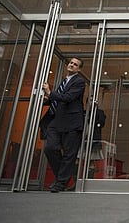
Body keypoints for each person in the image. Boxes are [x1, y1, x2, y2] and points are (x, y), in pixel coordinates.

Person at [42, 57, 86, 192]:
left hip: (72, 122)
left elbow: (68, 98)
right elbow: (59, 99)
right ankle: (65, 179)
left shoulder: (79, 81)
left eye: (75, 64)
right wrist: (48, 99)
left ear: (79, 69)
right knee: (50, 148)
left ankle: (60, 183)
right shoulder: (64, 81)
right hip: (57, 120)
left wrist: (50, 93)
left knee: (69, 154)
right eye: (71, 63)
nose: (72, 65)